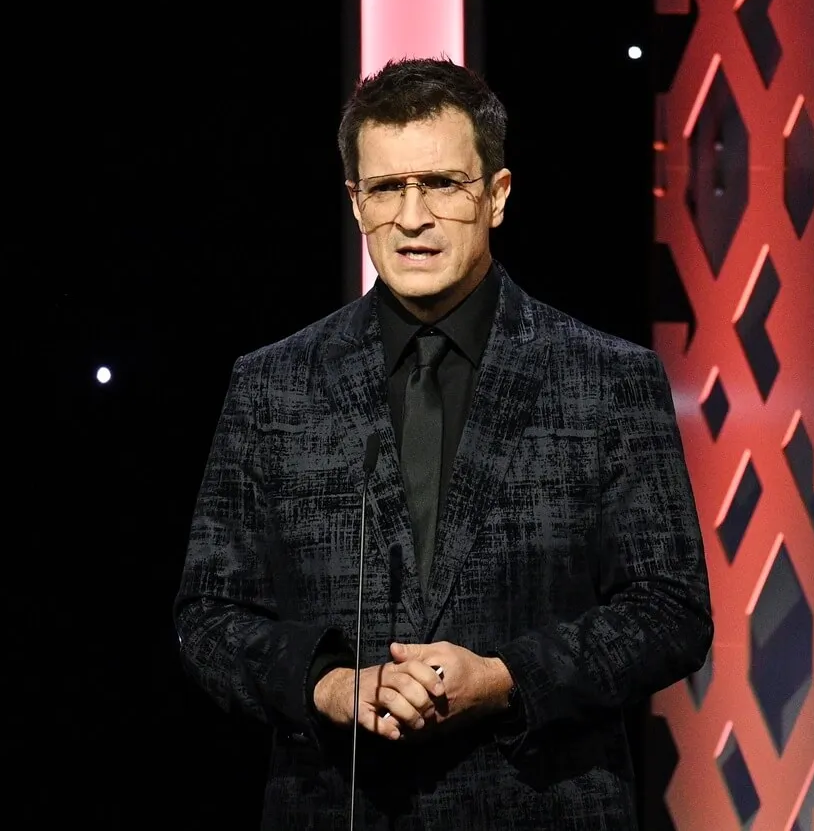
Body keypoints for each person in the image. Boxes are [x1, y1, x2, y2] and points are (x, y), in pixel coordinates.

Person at [174, 57, 712, 830]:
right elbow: (208, 614)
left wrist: (503, 678)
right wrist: (328, 684)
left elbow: (671, 611)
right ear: (356, 202)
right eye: (387, 188)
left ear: (495, 196)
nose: (412, 216)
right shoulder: (274, 385)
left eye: (441, 184)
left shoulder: (606, 379)